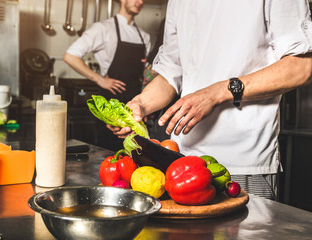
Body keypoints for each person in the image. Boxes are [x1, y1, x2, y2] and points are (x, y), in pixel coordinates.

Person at [108, 0, 312, 200]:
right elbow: (171, 72)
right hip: (180, 164)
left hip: (244, 162)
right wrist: (140, 104)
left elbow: (300, 68)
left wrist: (216, 93)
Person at [63, 0, 150, 151]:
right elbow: (70, 56)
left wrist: (146, 103)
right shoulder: (103, 29)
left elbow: (144, 73)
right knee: (110, 151)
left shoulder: (144, 36)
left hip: (135, 105)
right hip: (111, 105)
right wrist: (100, 80)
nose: (140, 2)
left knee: (138, 152)